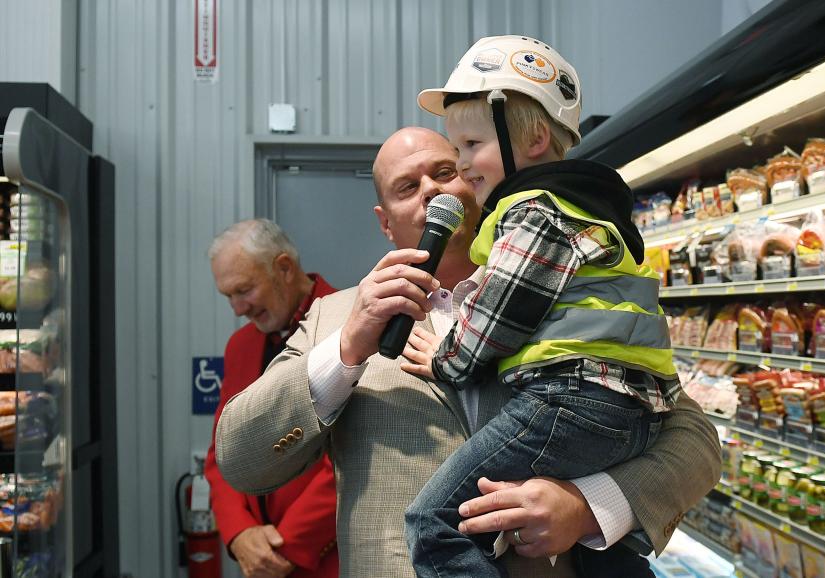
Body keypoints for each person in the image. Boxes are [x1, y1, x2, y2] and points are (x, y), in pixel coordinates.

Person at [214, 127, 722, 578]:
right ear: (385, 222)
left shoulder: (564, 290)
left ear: (479, 188)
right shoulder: (333, 318)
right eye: (407, 187)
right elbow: (241, 460)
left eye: (445, 172)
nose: (432, 190)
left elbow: (695, 439)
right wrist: (347, 347)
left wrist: (590, 508)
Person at [398, 35, 683, 578]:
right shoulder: (585, 210)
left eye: (470, 146)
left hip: (571, 399)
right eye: (456, 149)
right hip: (633, 411)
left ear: (531, 138)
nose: (461, 168)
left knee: (435, 523)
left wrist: (442, 356)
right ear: (383, 218)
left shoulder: (533, 214)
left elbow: (490, 326)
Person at [206, 219, 338, 578]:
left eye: (243, 290)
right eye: (228, 296)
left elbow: (355, 456)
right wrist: (238, 534)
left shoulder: (350, 324)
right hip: (258, 560)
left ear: (284, 268)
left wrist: (286, 547)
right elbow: (222, 452)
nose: (236, 309)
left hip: (328, 559)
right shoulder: (240, 346)